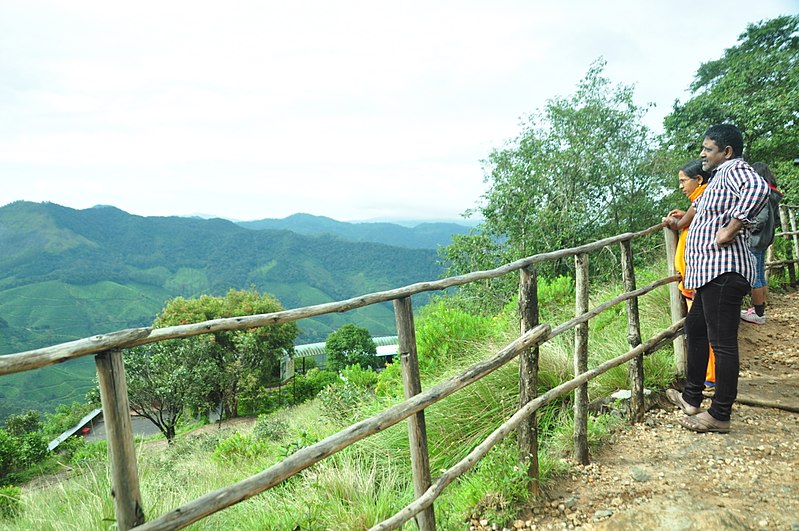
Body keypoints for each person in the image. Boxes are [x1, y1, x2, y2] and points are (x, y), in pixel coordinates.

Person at [666, 124, 769, 434]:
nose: (702, 154)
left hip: (724, 271)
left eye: (708, 149)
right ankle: (691, 397)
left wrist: (731, 228)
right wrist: (676, 221)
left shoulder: (735, 168)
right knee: (695, 328)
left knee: (722, 344)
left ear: (726, 152)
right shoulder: (716, 181)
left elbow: (759, 189)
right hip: (711, 275)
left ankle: (720, 414)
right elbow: (695, 215)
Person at [663, 160, 716, 387]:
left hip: (698, 279)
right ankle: (709, 375)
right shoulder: (702, 200)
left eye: (684, 181)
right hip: (697, 277)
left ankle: (710, 377)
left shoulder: (703, 197)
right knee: (703, 327)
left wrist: (671, 221)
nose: (681, 186)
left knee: (703, 329)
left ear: (699, 180)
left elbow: (679, 224)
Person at [740, 162, 783, 325]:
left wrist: (748, 227)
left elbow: (762, 218)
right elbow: (776, 219)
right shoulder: (773, 194)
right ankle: (760, 308)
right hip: (765, 239)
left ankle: (758, 313)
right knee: (760, 273)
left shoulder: (762, 193)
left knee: (755, 276)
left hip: (756, 240)